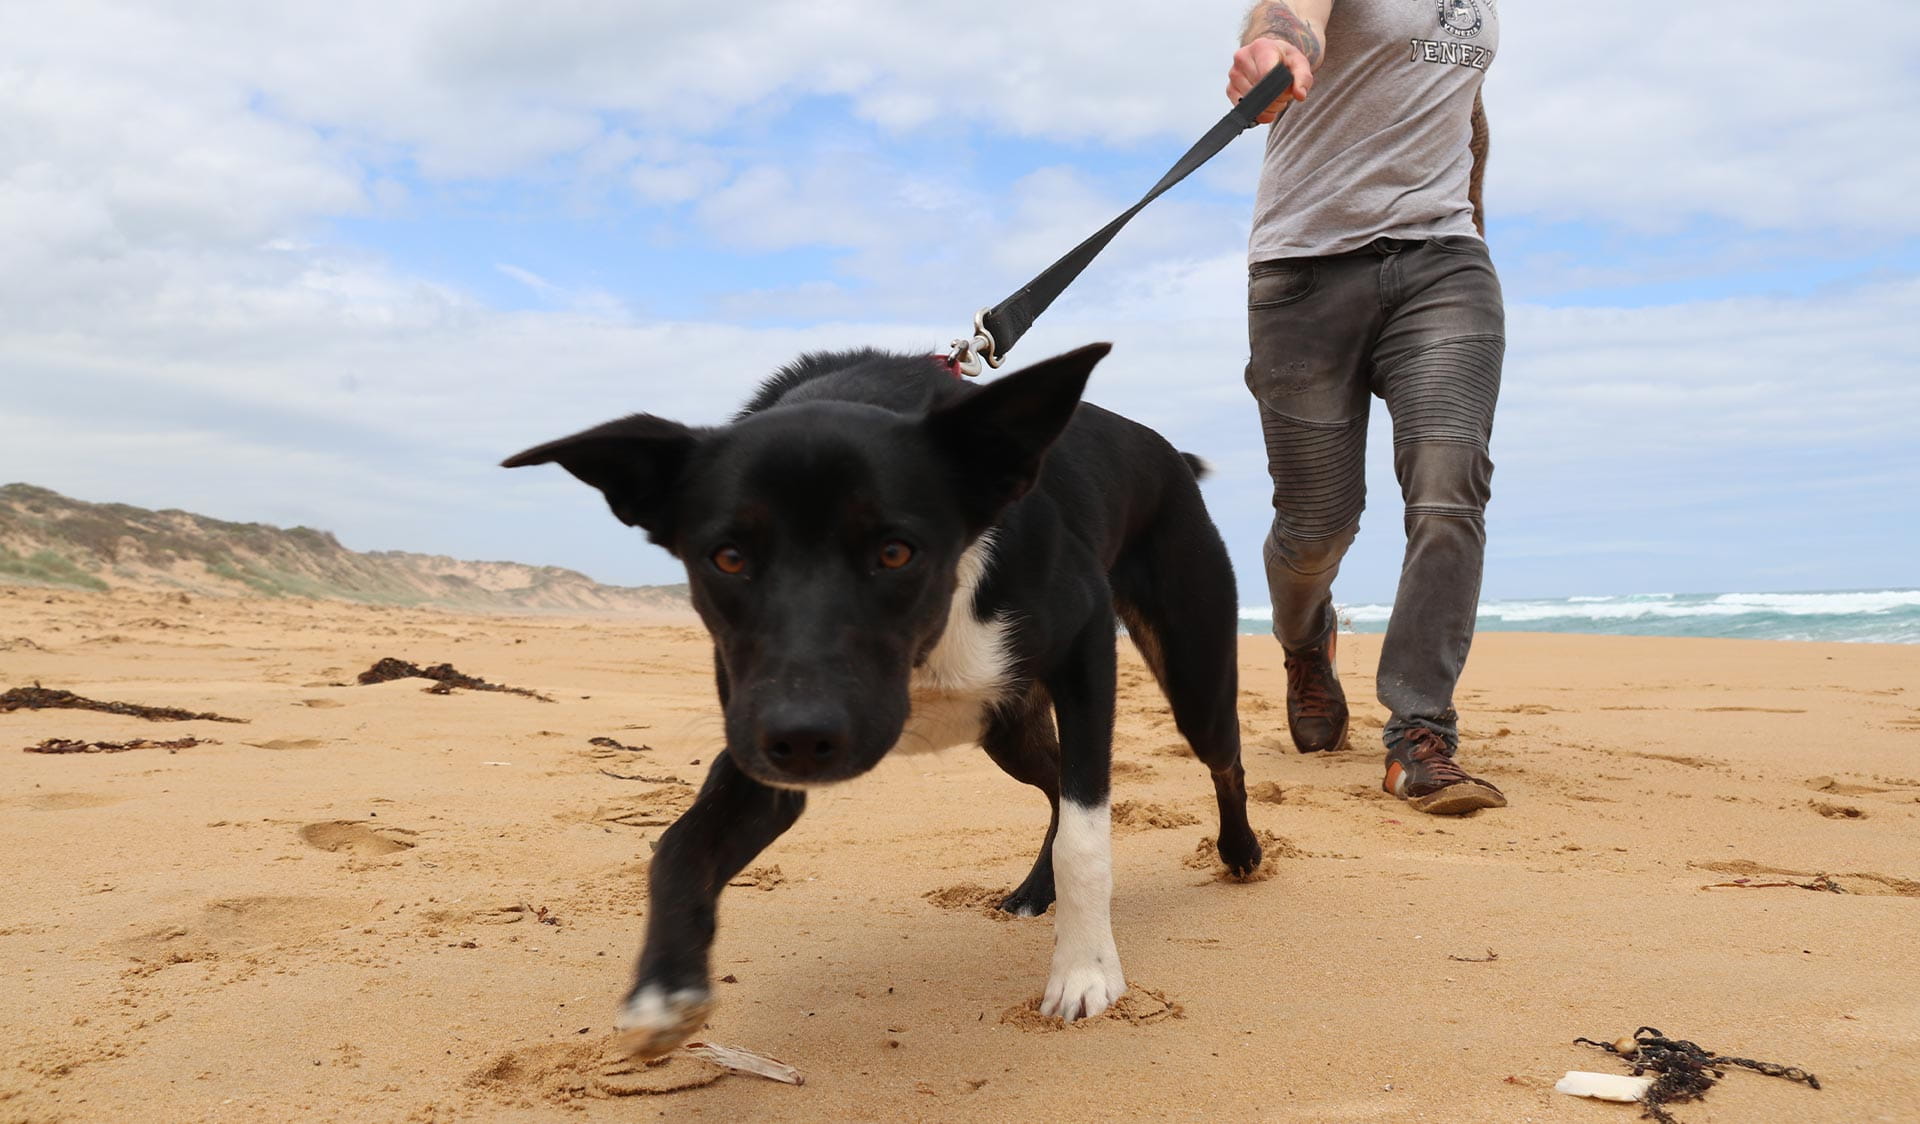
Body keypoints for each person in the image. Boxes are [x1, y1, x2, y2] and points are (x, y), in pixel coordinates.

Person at [1226, 0, 1506, 815]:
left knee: (1450, 485)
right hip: (1305, 274)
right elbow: (1289, 16)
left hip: (1445, 267)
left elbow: (1464, 105)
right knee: (1318, 525)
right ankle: (1306, 641)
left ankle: (1421, 737)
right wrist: (1275, 46)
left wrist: (1472, 227)